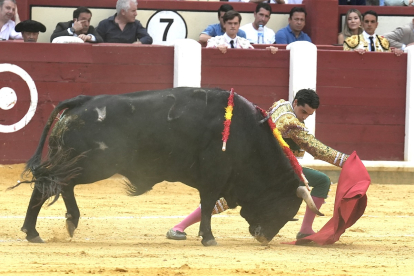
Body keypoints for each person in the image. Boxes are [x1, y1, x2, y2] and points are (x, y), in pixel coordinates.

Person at [166, 89, 349, 241]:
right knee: (230, 199)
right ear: (296, 103)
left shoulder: (281, 105)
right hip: (274, 172)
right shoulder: (290, 122)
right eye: (304, 112)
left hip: (261, 165)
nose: (306, 117)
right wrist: (345, 161)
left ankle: (180, 226)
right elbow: (316, 148)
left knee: (230, 198)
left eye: (309, 115)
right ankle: (306, 229)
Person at [206, 10, 278, 54]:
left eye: (235, 23)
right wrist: (215, 50)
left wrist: (267, 51)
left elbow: (256, 55)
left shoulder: (245, 43)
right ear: (224, 24)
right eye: (230, 23)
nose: (233, 26)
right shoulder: (214, 42)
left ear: (239, 25)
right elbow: (207, 55)